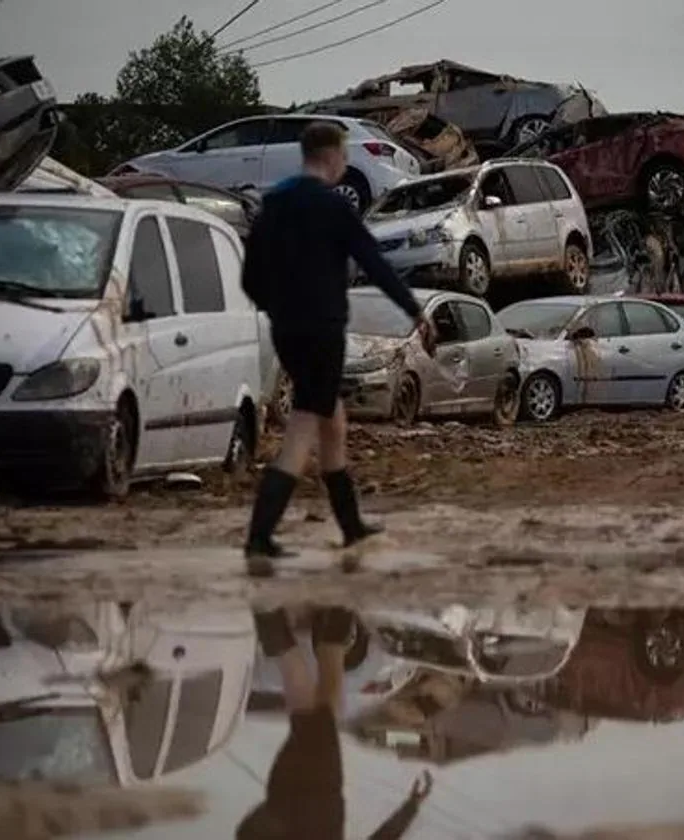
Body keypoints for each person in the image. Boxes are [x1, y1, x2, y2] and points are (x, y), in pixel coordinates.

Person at [241, 121, 433, 574]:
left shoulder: (273, 206)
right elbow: (375, 263)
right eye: (344, 159)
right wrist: (416, 312)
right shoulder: (331, 208)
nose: (345, 167)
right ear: (331, 157)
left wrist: (277, 306)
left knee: (333, 421)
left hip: (285, 329)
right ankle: (259, 535)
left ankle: (351, 526)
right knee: (305, 425)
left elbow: (250, 278)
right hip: (323, 330)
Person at [236, 608, 433, 840]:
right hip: (287, 793)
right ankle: (311, 630)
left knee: (319, 711)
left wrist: (410, 808)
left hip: (318, 795)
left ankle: (320, 628)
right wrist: (410, 808)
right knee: (312, 713)